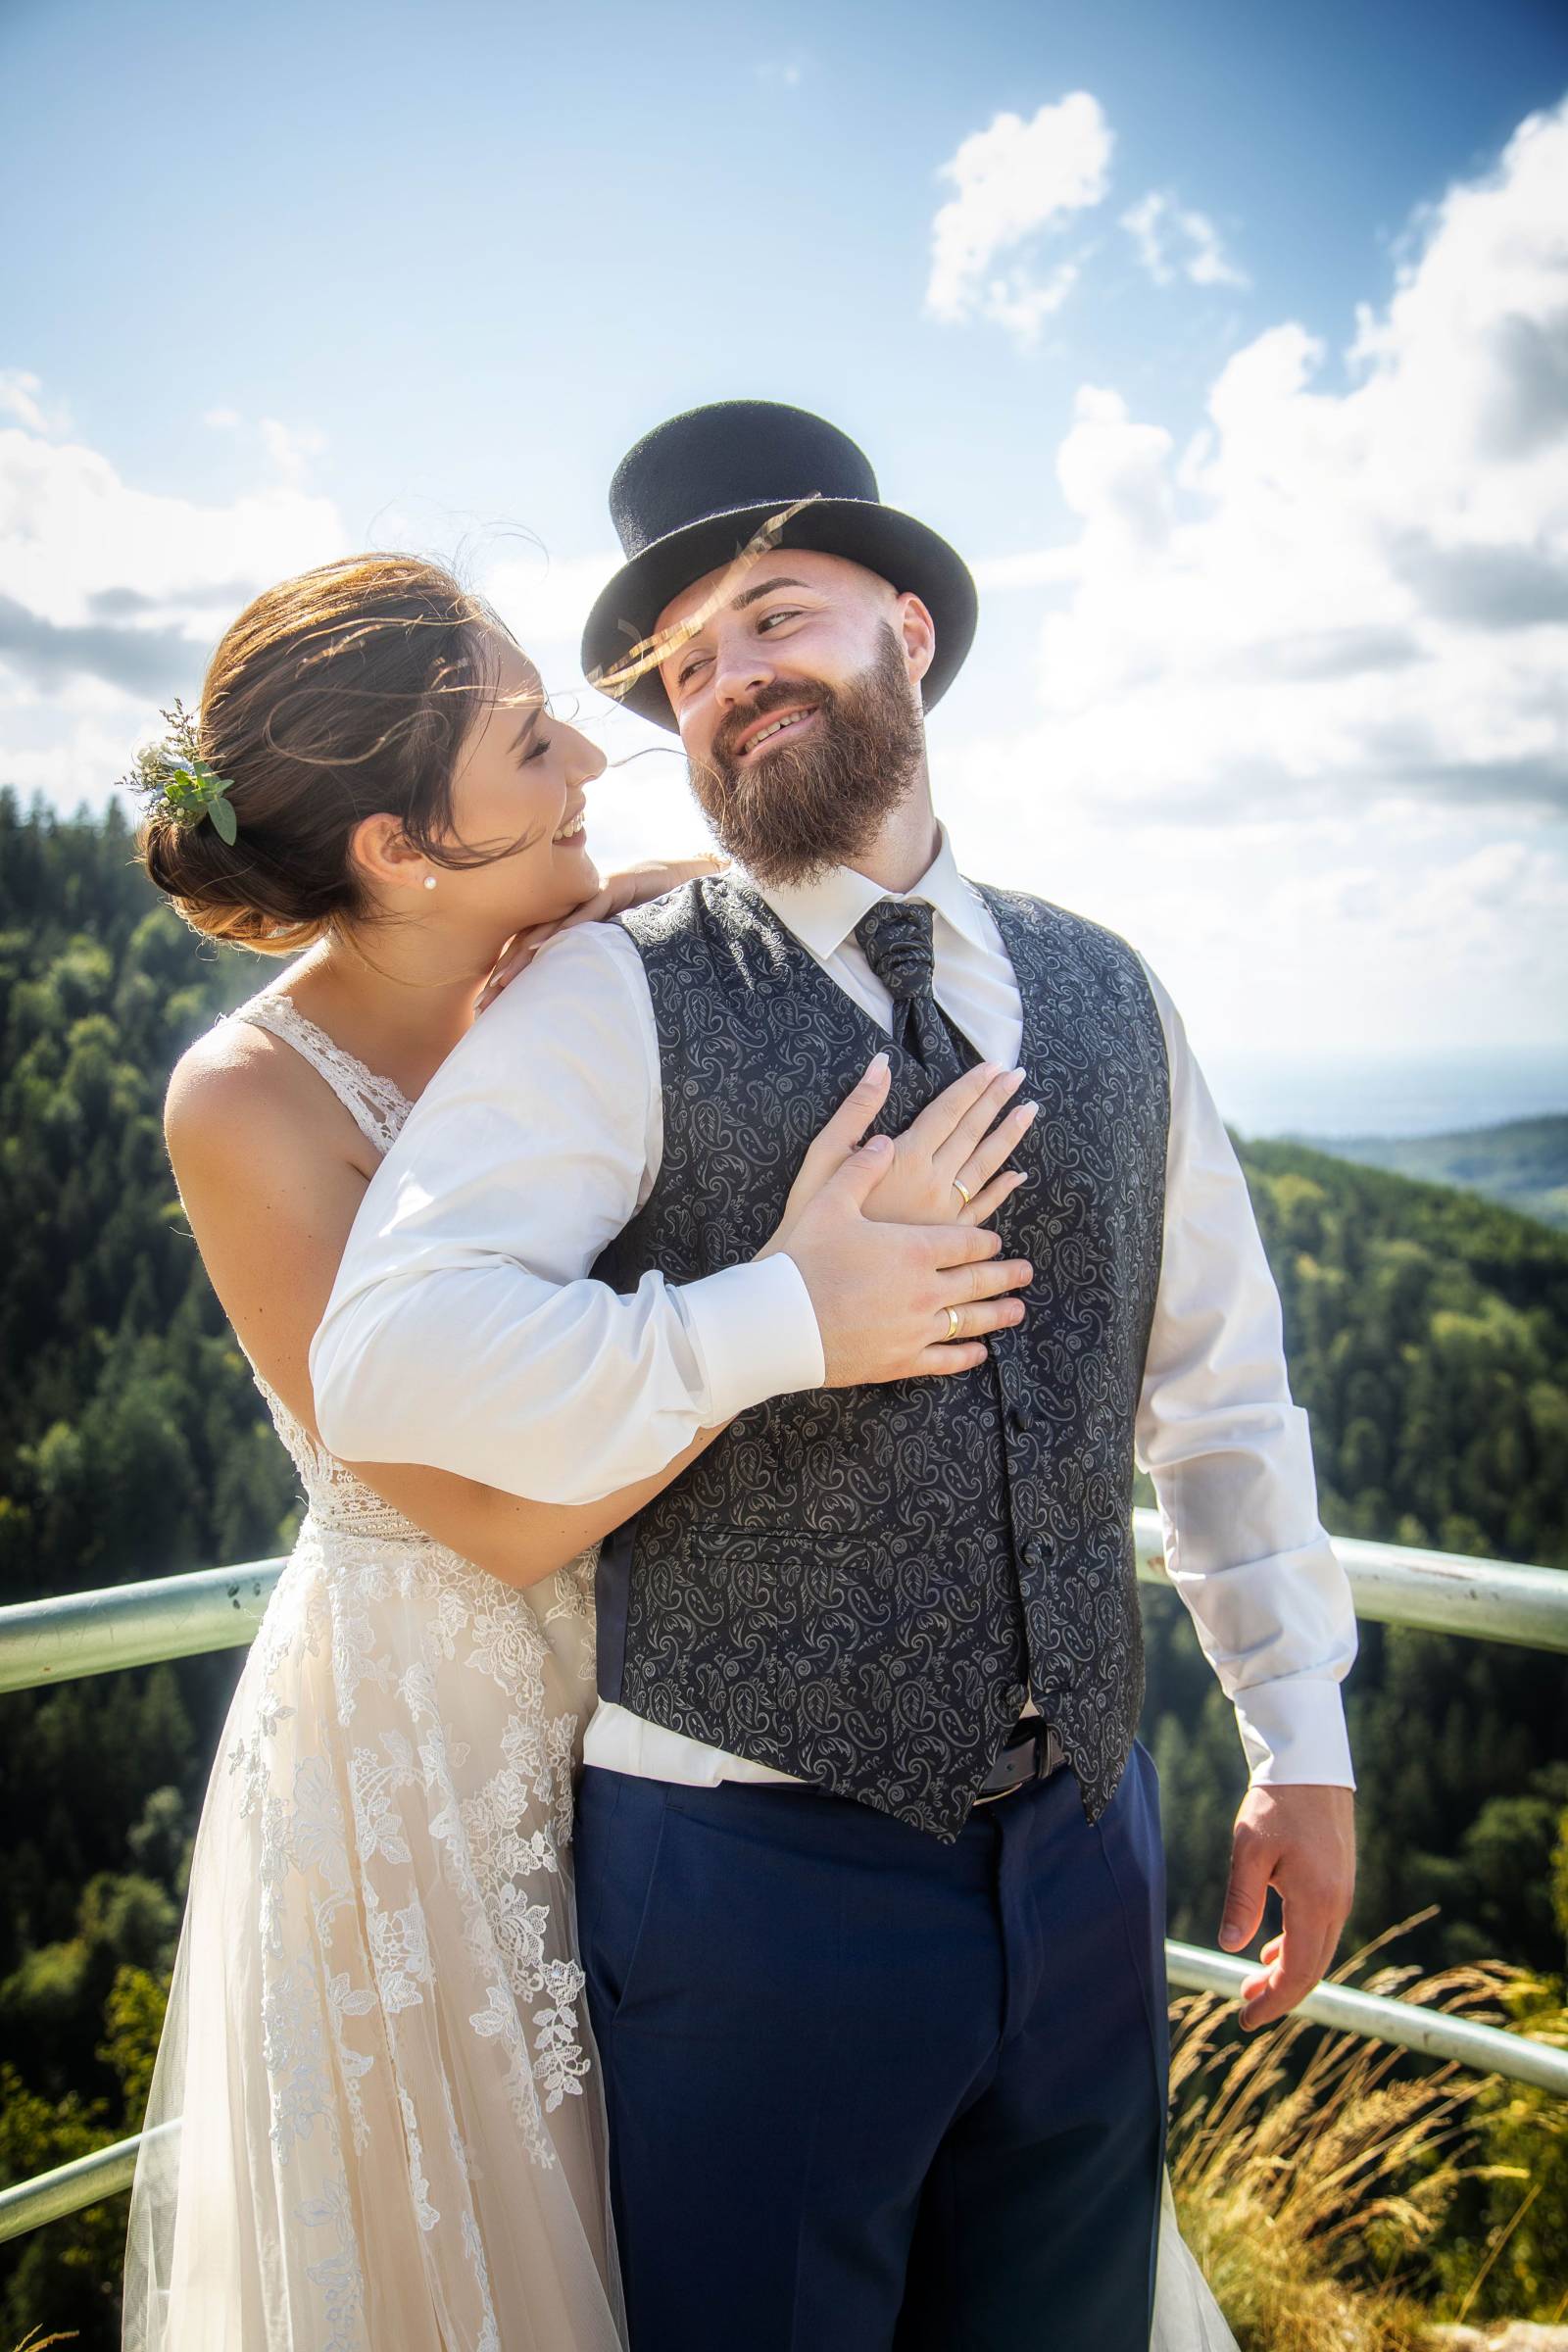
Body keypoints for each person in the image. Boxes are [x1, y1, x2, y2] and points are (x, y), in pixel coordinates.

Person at [312, 403, 1357, 2351]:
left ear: (910, 631)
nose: (726, 679)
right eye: (684, 663)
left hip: (1087, 1858)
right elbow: (387, 1360)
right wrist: (782, 1317)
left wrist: (1296, 1730)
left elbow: (1219, 1387)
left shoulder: (1112, 987)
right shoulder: (608, 992)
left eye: (773, 616)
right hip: (744, 1887)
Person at [121, 552, 1034, 2351]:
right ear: (402, 848)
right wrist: (792, 1318)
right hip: (431, 1741)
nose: (596, 764)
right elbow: (485, 1519)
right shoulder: (247, 1100)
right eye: (534, 743)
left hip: (669, 1701)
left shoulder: (602, 959)